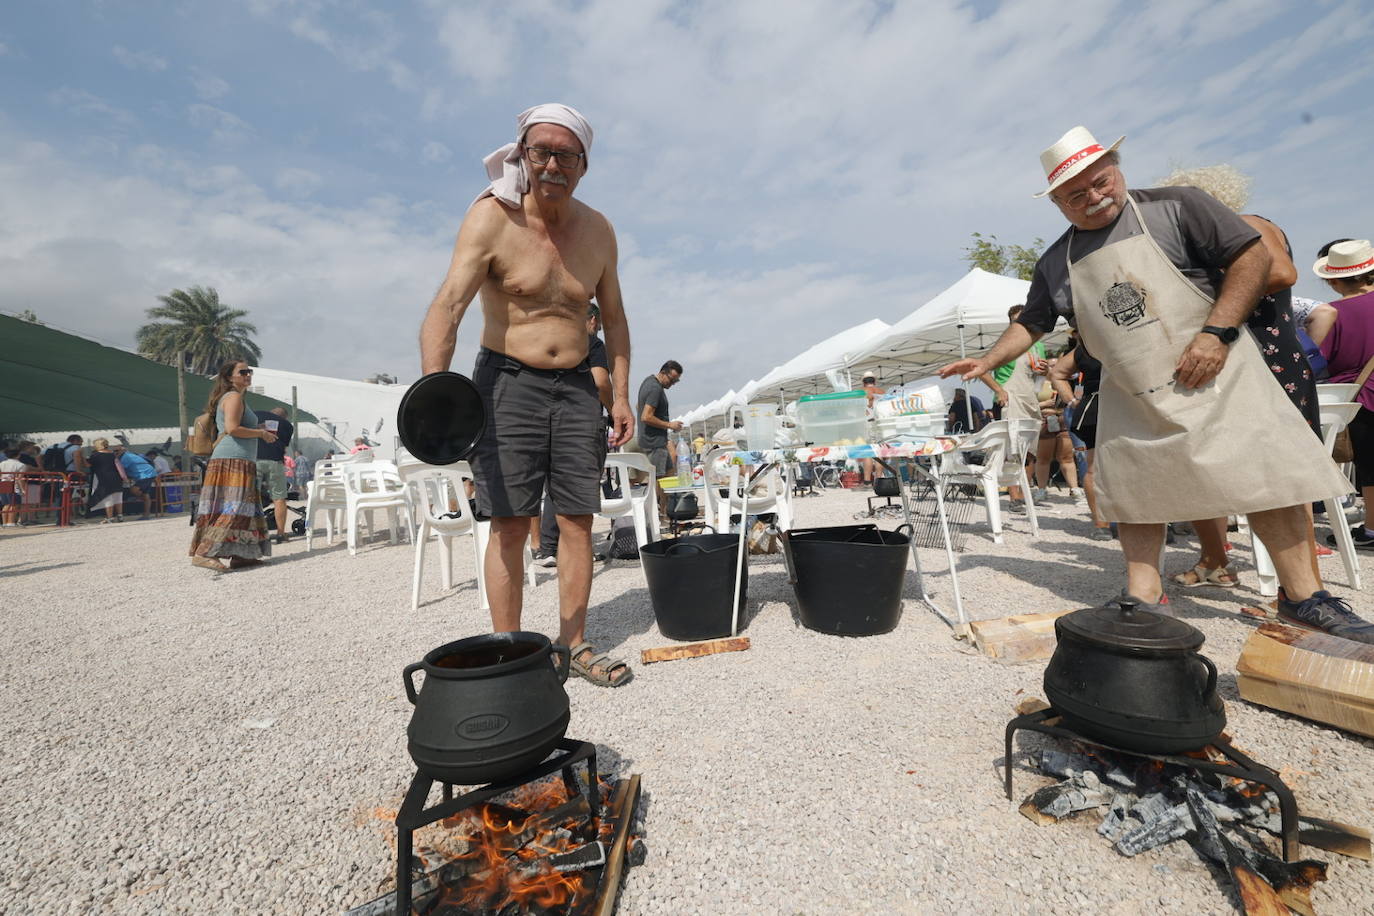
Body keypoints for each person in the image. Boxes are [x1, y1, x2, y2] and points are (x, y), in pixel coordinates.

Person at [939, 125, 1371, 643]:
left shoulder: (1178, 206)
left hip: (1217, 371)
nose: (1095, 197)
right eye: (1075, 195)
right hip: (1134, 391)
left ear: (1116, 168)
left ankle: (1304, 598)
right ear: (1056, 202)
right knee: (1136, 493)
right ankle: (1143, 596)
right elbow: (1032, 323)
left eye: (1101, 182)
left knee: (1267, 479)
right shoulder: (1058, 261)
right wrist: (986, 359)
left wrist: (1216, 333)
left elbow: (1254, 258)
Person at [419, 103, 634, 687]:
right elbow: (448, 307)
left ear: (584, 164)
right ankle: (509, 653)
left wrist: (617, 395)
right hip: (507, 384)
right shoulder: (492, 219)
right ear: (522, 155)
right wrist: (435, 388)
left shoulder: (599, 231)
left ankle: (574, 645)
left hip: (576, 392)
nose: (553, 164)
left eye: (567, 154)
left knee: (577, 521)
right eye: (541, 151)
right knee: (511, 524)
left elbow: (613, 319)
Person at [1152, 165, 1321, 589]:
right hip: (1233, 359)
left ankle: (1301, 590)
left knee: (1287, 476)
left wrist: (1208, 292)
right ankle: (1215, 560)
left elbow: (1282, 273)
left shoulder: (1249, 225)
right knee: (1203, 467)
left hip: (1268, 358)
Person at [534, 302, 615, 568]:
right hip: (580, 424)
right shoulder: (592, 343)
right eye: (598, 325)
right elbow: (601, 382)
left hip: (546, 424)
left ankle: (548, 549)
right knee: (580, 497)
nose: (598, 329)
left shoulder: (550, 345)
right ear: (591, 321)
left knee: (552, 492)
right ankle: (578, 552)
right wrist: (614, 411)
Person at [1308, 240, 1374, 551]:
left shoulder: (1332, 313)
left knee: (1370, 464)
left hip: (1361, 394)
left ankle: (1372, 530)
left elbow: (1317, 360)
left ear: (1333, 280)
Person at [189, 359, 276, 571]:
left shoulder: (236, 398)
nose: (248, 375)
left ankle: (240, 555)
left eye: (249, 371)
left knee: (245, 508)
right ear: (230, 377)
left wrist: (257, 428)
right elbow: (232, 428)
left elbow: (233, 427)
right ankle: (204, 552)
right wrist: (261, 433)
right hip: (232, 460)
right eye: (243, 372)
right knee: (233, 507)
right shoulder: (234, 397)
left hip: (239, 459)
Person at [256, 407, 295, 545]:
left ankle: (254, 533)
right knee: (279, 498)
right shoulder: (287, 425)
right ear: (285, 417)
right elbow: (284, 447)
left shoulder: (256, 414)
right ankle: (280, 533)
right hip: (275, 462)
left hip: (255, 461)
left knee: (252, 497)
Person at [637, 360, 684, 477]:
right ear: (663, 373)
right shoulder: (655, 388)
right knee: (659, 478)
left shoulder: (648, 382)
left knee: (669, 473)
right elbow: (646, 416)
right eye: (672, 379)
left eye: (676, 381)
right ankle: (658, 496)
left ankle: (668, 496)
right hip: (654, 443)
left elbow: (639, 406)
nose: (673, 383)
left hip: (655, 441)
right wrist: (669, 425)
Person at [114, 444, 160, 519]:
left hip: (144, 475)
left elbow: (121, 471)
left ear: (123, 450)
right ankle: (146, 514)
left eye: (117, 451)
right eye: (114, 451)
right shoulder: (129, 455)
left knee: (133, 490)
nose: (115, 452)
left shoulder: (125, 457)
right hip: (148, 473)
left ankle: (140, 500)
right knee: (145, 494)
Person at [85, 438, 125, 523]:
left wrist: (81, 458)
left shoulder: (95, 455)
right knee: (118, 497)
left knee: (108, 498)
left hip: (104, 478)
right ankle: (120, 516)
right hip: (116, 477)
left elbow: (88, 465)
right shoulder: (113, 454)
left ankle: (110, 518)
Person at [0, 448, 27, 527]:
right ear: (18, 455)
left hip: (3, 483)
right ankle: (11, 523)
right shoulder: (21, 465)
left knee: (6, 504)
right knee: (14, 504)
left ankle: (4, 523)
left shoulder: (2, 463)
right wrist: (23, 489)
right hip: (14, 484)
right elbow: (20, 478)